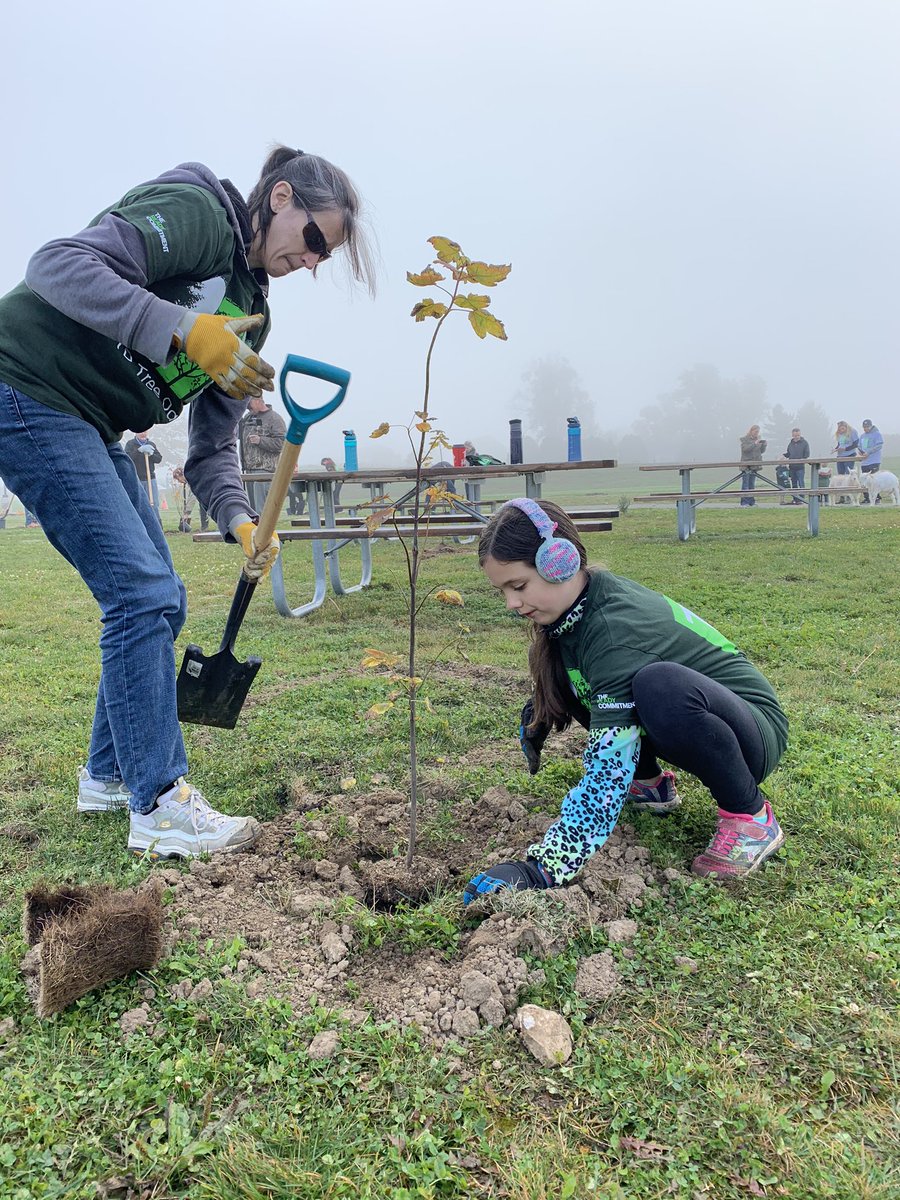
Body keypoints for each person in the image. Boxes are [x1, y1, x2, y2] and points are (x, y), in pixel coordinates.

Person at [0, 144, 373, 859]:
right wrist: (179, 327)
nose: (315, 261)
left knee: (162, 595)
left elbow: (208, 451)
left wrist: (240, 522)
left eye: (328, 255)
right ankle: (159, 802)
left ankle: (108, 775)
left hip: (88, 420)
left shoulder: (253, 315)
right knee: (138, 594)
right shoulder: (200, 213)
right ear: (281, 197)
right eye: (317, 239)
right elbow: (54, 265)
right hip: (26, 386)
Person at [464, 499, 788, 902]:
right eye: (503, 591)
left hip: (751, 734)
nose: (511, 604)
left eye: (519, 586)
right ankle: (650, 786)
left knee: (660, 686)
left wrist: (542, 869)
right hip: (704, 717)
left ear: (559, 561)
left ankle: (750, 816)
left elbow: (606, 769)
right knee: (595, 681)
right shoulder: (573, 611)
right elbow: (588, 686)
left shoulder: (613, 629)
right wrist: (540, 712)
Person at [239, 393, 287, 515]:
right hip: (248, 470)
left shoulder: (275, 419)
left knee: (263, 511)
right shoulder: (247, 418)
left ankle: (265, 534)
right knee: (252, 512)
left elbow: (282, 444)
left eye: (249, 406)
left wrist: (261, 440)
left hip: (264, 471)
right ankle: (255, 533)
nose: (248, 409)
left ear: (257, 401)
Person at [124, 431, 163, 521]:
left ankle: (157, 525)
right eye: (140, 432)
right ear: (136, 433)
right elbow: (127, 458)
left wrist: (151, 454)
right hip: (137, 479)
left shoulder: (151, 444)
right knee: (139, 503)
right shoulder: (130, 444)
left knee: (154, 504)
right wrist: (139, 451)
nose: (143, 434)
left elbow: (158, 459)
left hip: (150, 478)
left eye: (145, 432)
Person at [172, 465, 209, 533]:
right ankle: (204, 527)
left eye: (178, 479)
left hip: (206, 488)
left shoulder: (192, 478)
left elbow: (192, 497)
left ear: (181, 475)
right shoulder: (189, 477)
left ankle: (205, 527)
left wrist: (187, 513)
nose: (179, 481)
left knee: (203, 506)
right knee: (203, 506)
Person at [856, 419, 884, 503]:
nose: (865, 429)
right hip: (864, 461)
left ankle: (876, 497)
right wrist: (860, 453)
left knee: (873, 480)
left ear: (871, 426)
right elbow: (859, 446)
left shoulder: (877, 434)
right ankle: (867, 498)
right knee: (864, 480)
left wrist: (869, 452)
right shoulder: (862, 436)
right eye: (864, 427)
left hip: (874, 460)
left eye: (867, 427)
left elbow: (879, 445)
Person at [738, 425, 767, 506]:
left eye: (758, 432)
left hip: (755, 465)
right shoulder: (744, 439)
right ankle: (744, 502)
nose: (757, 433)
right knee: (745, 485)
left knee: (752, 484)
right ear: (751, 431)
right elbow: (745, 449)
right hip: (746, 465)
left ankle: (751, 502)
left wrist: (764, 445)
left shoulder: (757, 440)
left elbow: (761, 451)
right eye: (755, 432)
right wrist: (754, 443)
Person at [780, 427, 810, 504]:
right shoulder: (790, 444)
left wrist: (801, 459)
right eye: (795, 435)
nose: (796, 437)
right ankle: (795, 499)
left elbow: (807, 454)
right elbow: (788, 453)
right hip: (792, 467)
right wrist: (783, 456)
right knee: (793, 484)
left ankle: (802, 499)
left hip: (800, 467)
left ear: (800, 435)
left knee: (801, 483)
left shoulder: (804, 443)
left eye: (798, 435)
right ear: (792, 435)